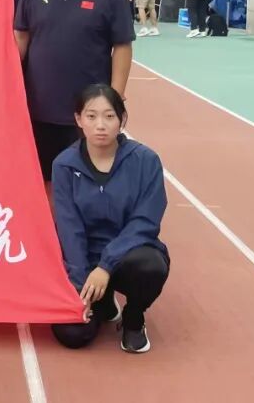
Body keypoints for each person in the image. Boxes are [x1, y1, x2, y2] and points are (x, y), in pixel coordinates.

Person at [50, 85, 169, 353]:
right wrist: (80, 286)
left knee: (150, 266)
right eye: (91, 116)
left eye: (109, 116)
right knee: (72, 334)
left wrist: (106, 266)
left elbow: (145, 222)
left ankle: (133, 319)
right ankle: (102, 302)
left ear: (122, 119)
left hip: (129, 255)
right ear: (78, 119)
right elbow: (69, 227)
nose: (100, 125)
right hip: (85, 261)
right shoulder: (64, 165)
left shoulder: (145, 161)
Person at [14, 0, 135, 182]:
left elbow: (122, 45)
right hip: (39, 106)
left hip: (89, 109)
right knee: (41, 179)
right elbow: (20, 38)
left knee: (88, 179)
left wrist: (115, 96)